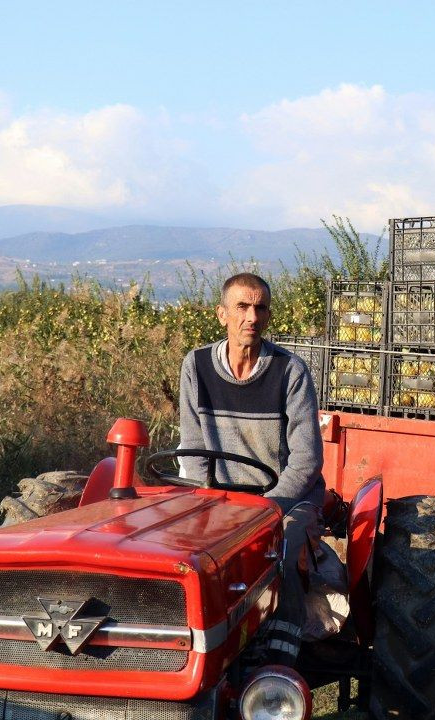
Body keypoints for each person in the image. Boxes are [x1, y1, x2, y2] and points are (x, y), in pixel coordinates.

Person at [177, 272, 324, 667]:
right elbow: (192, 448)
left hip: (284, 499)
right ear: (221, 314)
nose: (251, 317)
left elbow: (306, 460)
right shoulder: (197, 366)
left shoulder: (290, 371)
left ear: (269, 316)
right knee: (184, 558)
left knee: (281, 555)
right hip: (221, 498)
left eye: (260, 308)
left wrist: (267, 509)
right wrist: (200, 502)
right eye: (242, 307)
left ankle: (279, 664)